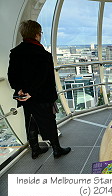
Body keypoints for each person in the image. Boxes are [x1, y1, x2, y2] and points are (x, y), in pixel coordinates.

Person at [7, 20, 71, 159]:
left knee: (30, 121)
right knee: (49, 121)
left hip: (24, 97)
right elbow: (44, 79)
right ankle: (56, 149)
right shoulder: (43, 55)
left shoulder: (16, 52)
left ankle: (35, 149)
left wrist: (19, 90)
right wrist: (32, 92)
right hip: (41, 97)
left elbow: (12, 75)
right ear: (37, 35)